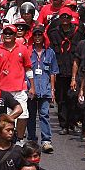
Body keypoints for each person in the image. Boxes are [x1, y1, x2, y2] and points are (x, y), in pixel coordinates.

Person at [28, 25, 58, 153]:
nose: (37, 37)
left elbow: (53, 72)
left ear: (44, 36)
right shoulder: (28, 51)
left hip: (45, 88)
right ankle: (31, 140)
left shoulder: (50, 52)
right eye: (35, 35)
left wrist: (52, 90)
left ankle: (46, 141)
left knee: (44, 115)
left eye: (40, 34)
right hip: (30, 89)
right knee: (31, 115)